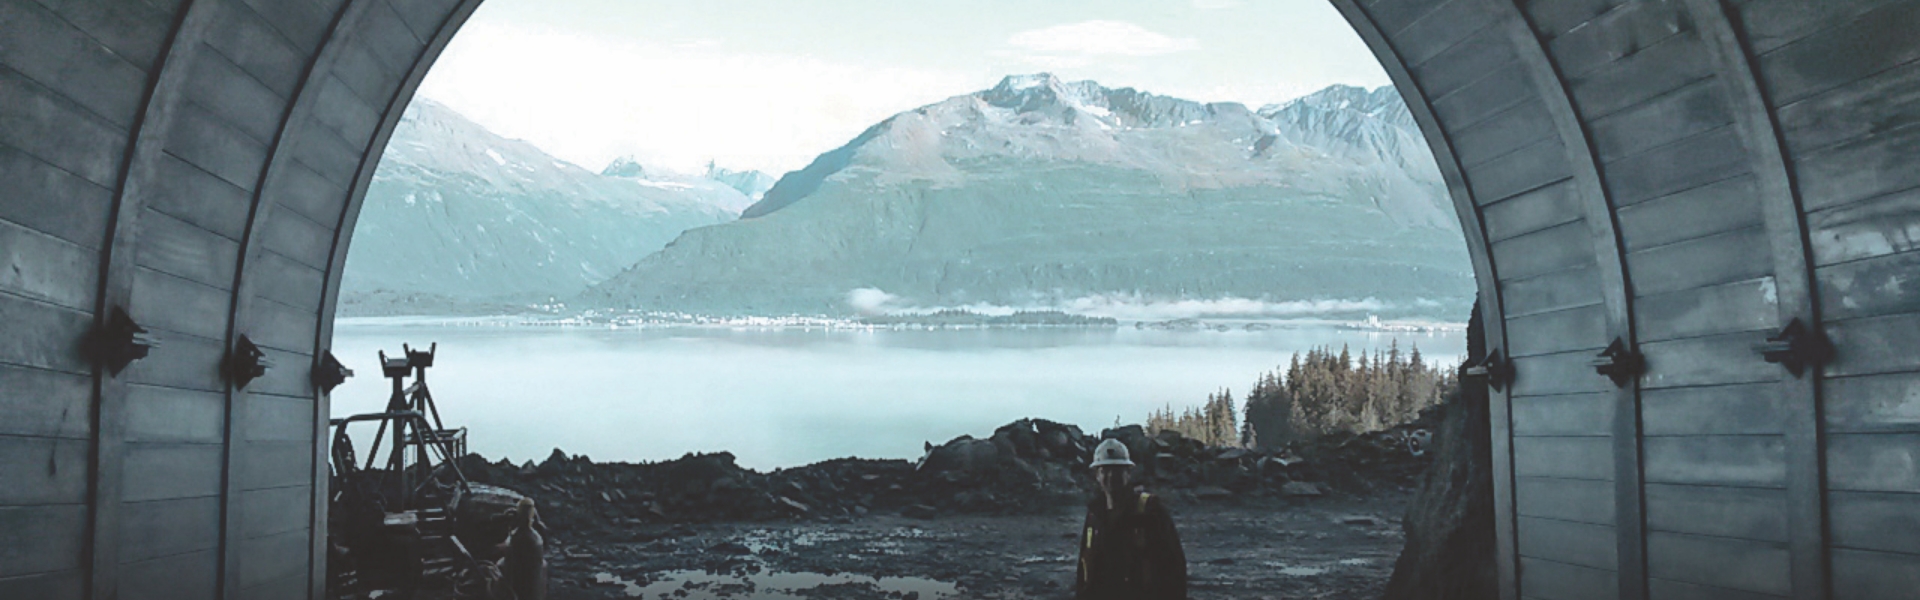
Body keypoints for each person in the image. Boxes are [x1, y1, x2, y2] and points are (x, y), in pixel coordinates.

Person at [1074, 438, 1187, 600]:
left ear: (1128, 473)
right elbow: (1084, 567)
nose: (1111, 475)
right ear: (1097, 475)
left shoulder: (1150, 510)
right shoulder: (1094, 515)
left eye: (1117, 470)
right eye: (1105, 470)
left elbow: (1174, 565)